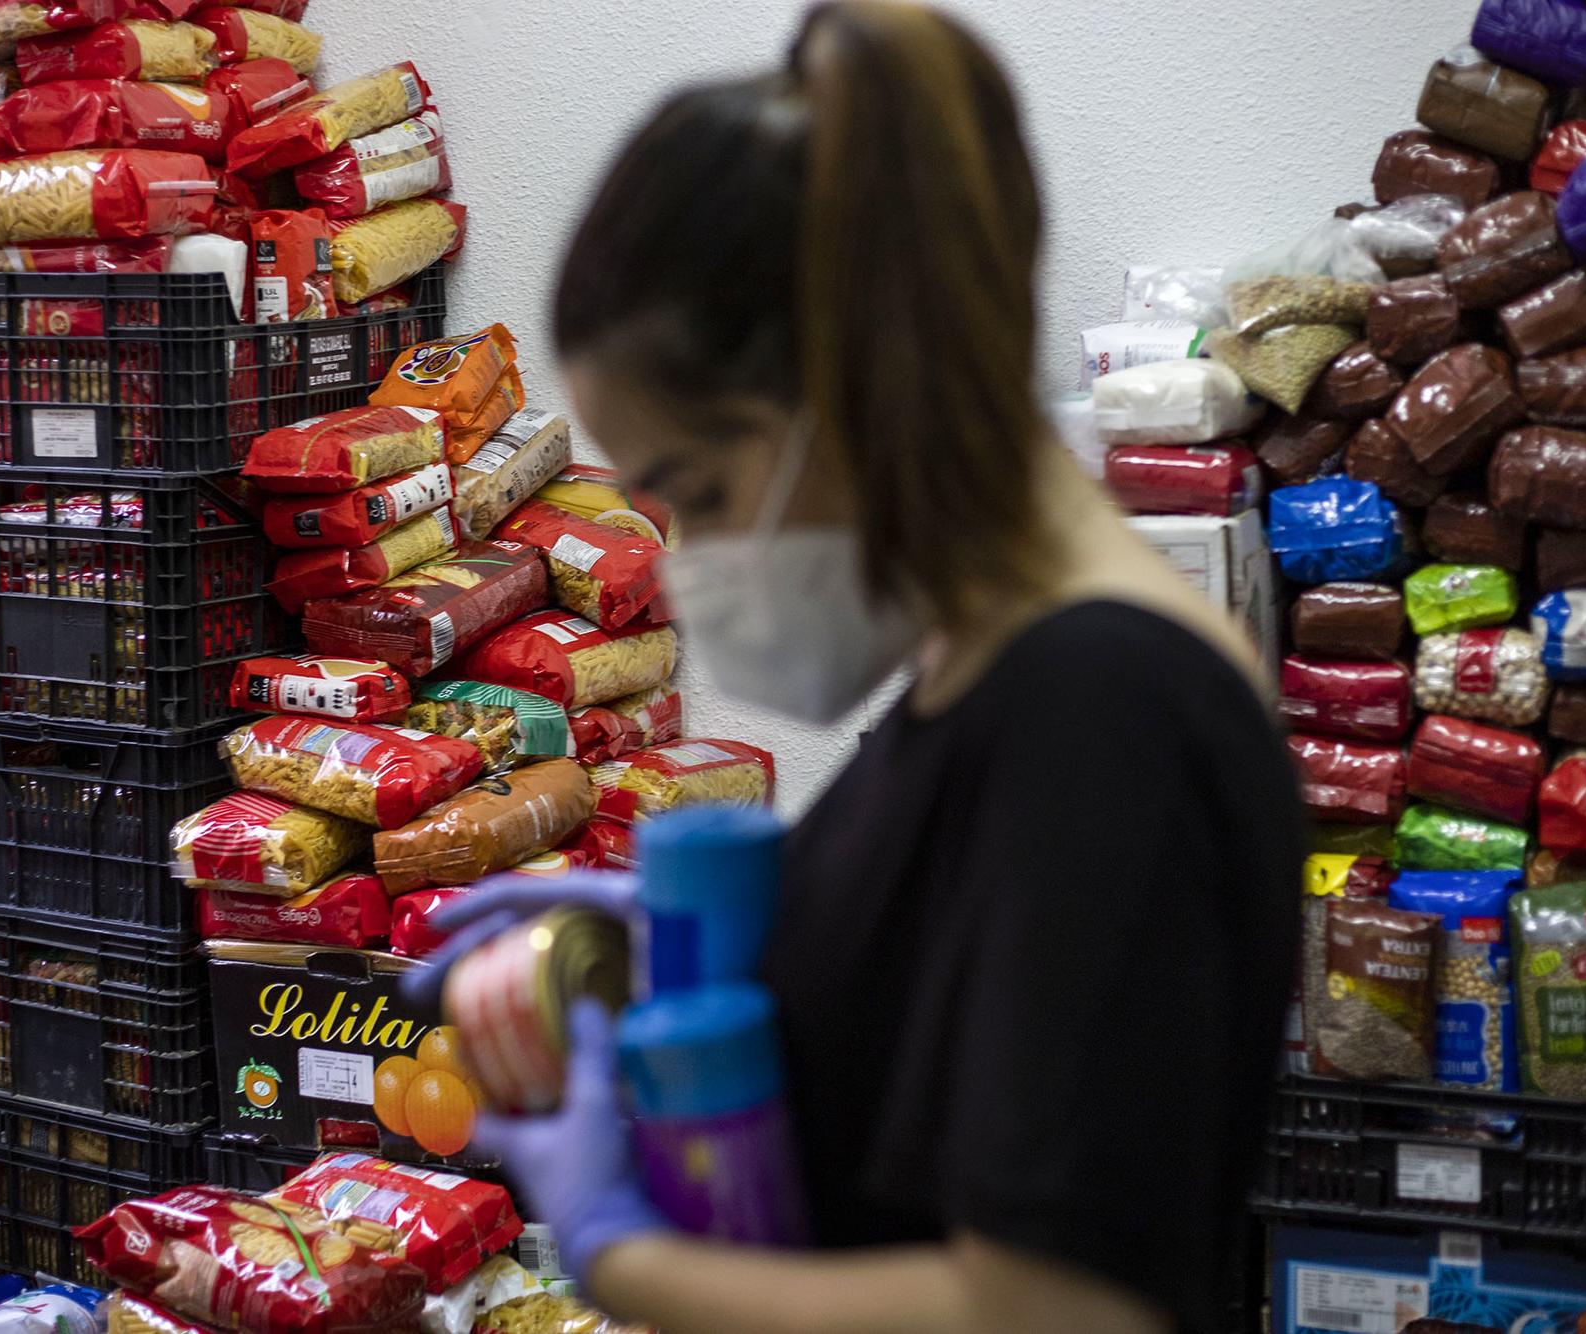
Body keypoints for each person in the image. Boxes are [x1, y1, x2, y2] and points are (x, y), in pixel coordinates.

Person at [415, 4, 1305, 1330]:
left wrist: (617, 1247)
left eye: (701, 490)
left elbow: (1060, 1307)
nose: (684, 556)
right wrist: (682, 968)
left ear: (852, 393)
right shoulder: (983, 673)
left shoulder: (1108, 709)